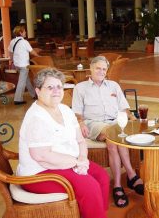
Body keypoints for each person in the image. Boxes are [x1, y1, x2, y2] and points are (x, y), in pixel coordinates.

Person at [17, 68, 109, 218]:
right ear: (38, 91)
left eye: (59, 87)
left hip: (68, 162)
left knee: (102, 176)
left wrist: (83, 159)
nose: (56, 91)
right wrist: (76, 163)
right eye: (50, 87)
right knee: (89, 187)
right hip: (39, 173)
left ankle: (97, 213)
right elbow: (41, 156)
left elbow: (80, 140)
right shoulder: (37, 117)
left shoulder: (65, 110)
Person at [72, 56, 143, 208]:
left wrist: (134, 119)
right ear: (90, 68)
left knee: (114, 139)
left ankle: (118, 185)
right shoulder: (80, 88)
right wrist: (80, 123)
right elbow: (77, 112)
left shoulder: (113, 86)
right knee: (115, 135)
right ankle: (131, 175)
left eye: (104, 69)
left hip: (115, 122)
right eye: (98, 68)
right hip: (94, 124)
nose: (101, 71)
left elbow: (125, 109)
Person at [8, 25, 39, 105]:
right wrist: (39, 57)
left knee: (26, 80)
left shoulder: (12, 41)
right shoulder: (24, 42)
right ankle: (18, 99)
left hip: (17, 64)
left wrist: (12, 61)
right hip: (24, 65)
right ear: (20, 33)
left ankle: (33, 94)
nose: (25, 32)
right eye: (24, 31)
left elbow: (10, 53)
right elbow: (32, 52)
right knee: (22, 81)